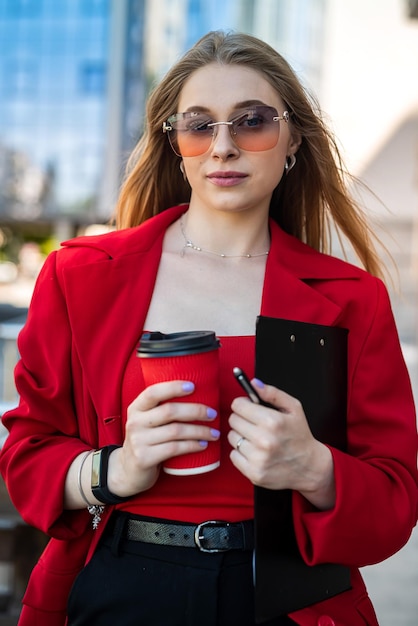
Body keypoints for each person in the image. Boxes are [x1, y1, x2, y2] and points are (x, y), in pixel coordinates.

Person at [0, 30, 417, 626]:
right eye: (199, 125)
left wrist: (313, 467)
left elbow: (395, 502)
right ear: (176, 146)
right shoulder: (81, 277)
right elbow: (26, 458)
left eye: (252, 121)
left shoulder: (353, 301)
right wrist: (115, 467)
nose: (223, 146)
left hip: (290, 600)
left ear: (293, 137)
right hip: (121, 591)